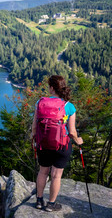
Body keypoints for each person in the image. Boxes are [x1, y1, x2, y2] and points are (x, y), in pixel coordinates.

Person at [31, 75, 83, 212]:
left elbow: (34, 127)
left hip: (43, 144)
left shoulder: (40, 102)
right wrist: (79, 141)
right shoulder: (69, 106)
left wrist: (33, 140)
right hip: (61, 145)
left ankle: (39, 200)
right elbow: (72, 132)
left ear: (52, 88)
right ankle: (51, 204)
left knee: (43, 172)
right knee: (56, 175)